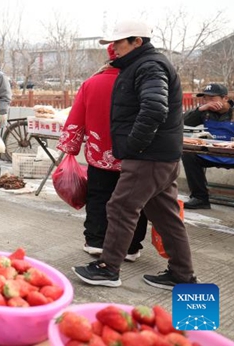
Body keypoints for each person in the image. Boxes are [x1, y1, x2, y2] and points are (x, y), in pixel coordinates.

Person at [73, 20, 196, 290]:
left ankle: (108, 268)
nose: (114, 48)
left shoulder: (149, 66)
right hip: (159, 155)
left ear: (137, 41)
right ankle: (182, 274)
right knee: (165, 215)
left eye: (119, 42)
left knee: (120, 207)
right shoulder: (140, 65)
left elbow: (154, 108)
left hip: (148, 156)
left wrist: (133, 145)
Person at [57, 44, 148, 262]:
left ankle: (96, 241)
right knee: (135, 201)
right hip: (135, 154)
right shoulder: (141, 80)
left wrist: (71, 146)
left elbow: (76, 117)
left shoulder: (92, 83)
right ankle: (131, 246)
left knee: (99, 197)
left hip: (100, 155)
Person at [181, 83, 234, 209]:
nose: (208, 102)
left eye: (212, 99)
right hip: (211, 153)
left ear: (225, 98)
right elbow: (182, 121)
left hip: (231, 154)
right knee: (188, 154)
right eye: (205, 98)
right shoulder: (205, 112)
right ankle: (200, 198)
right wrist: (200, 109)